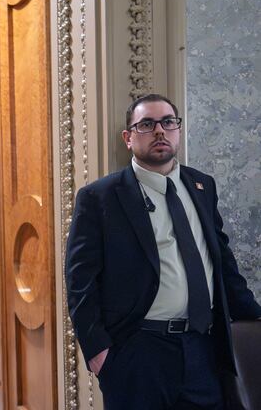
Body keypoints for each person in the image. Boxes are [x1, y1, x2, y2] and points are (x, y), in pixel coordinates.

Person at [66, 93, 261, 409]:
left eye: (168, 122)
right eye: (146, 124)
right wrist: (98, 351)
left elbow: (221, 260)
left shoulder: (202, 185)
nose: (160, 131)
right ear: (128, 138)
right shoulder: (100, 197)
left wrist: (253, 313)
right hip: (139, 352)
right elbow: (81, 282)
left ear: (178, 131)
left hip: (203, 348)